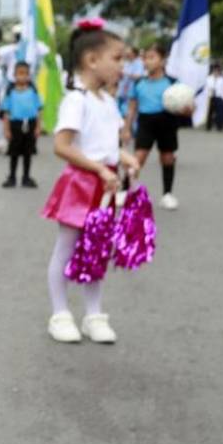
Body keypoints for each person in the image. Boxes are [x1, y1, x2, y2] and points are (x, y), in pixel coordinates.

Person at [42, 21, 138, 344]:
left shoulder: (108, 102)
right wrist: (99, 168)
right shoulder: (77, 100)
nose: (121, 66)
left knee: (96, 249)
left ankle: (94, 315)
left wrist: (126, 159)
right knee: (66, 249)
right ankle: (60, 313)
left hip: (105, 185)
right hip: (81, 184)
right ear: (92, 60)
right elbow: (62, 145)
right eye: (117, 58)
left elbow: (108, 144)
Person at [123, 42, 181, 211]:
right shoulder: (139, 82)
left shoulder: (172, 82)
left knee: (168, 157)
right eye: (145, 58)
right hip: (146, 121)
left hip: (167, 121)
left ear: (162, 60)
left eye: (152, 57)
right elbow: (132, 107)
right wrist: (127, 128)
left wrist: (186, 109)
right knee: (137, 158)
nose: (147, 61)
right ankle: (125, 191)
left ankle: (167, 194)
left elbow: (186, 106)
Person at [0, 60, 42, 188]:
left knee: (28, 153)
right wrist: (6, 130)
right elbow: (6, 112)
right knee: (14, 152)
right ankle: (12, 176)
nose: (22, 76)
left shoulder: (33, 90)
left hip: (30, 123)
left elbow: (39, 110)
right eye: (19, 73)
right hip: (15, 124)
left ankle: (26, 177)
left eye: (25, 74)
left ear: (29, 75)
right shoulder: (10, 91)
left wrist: (38, 127)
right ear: (14, 75)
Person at [205, 61, 223, 132]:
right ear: (213, 71)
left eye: (217, 71)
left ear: (219, 72)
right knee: (209, 112)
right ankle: (208, 126)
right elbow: (205, 87)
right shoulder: (208, 78)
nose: (216, 72)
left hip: (219, 97)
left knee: (220, 112)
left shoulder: (222, 79)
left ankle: (220, 126)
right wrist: (207, 94)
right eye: (215, 71)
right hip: (210, 96)